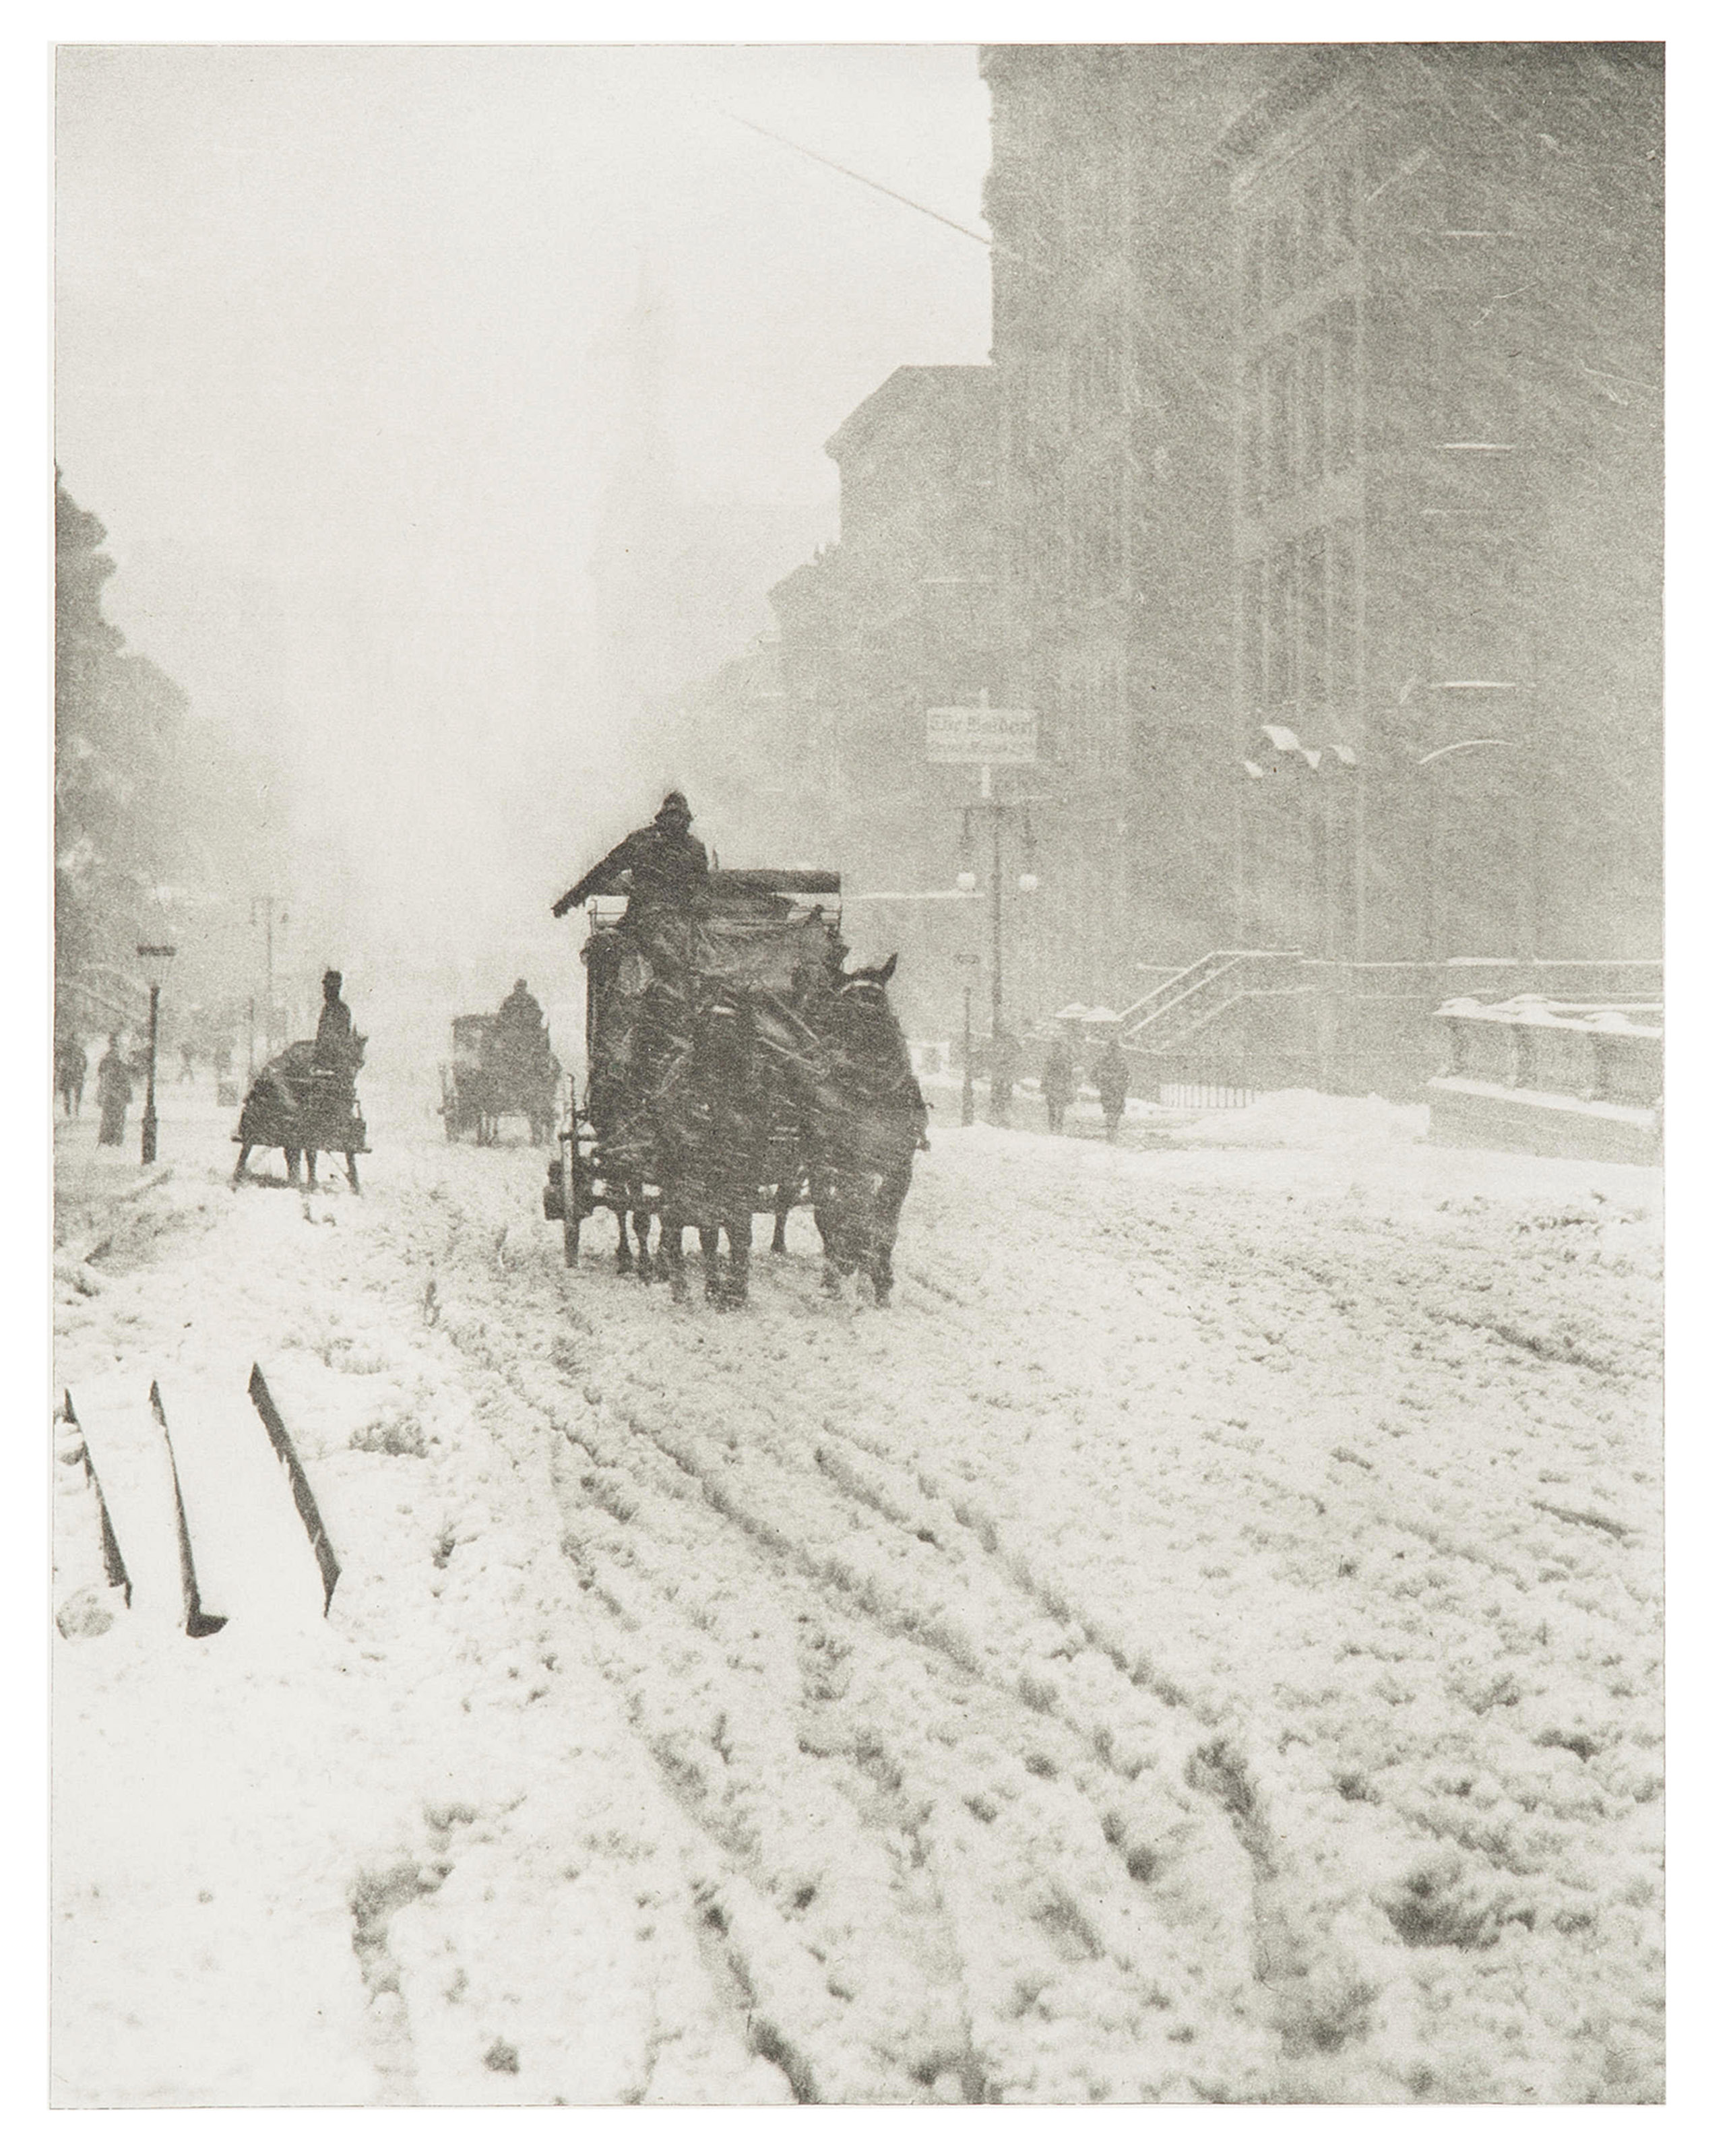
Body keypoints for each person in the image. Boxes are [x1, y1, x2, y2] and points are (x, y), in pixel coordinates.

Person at [551, 792, 710, 926]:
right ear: (662, 817)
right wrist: (567, 903)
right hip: (640, 918)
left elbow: (702, 885)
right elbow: (602, 872)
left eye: (679, 816)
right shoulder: (640, 841)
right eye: (671, 815)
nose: (675, 821)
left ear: (686, 819)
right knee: (603, 944)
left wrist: (699, 903)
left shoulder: (695, 848)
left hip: (679, 921)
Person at [314, 970, 360, 1075]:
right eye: (325, 988)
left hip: (334, 1065)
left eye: (328, 988)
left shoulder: (340, 1009)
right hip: (325, 1063)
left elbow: (337, 1040)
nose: (325, 992)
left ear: (336, 989)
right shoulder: (328, 1008)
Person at [96, 1034, 132, 1147]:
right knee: (116, 1116)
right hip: (116, 1093)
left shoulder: (107, 1060)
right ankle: (114, 1138)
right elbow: (125, 1078)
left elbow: (102, 1077)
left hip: (112, 1093)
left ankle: (109, 1137)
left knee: (110, 1116)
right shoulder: (118, 1061)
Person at [1094, 1036, 1129, 1144]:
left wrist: (1100, 1083)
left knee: (1112, 1111)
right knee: (1114, 1111)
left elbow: (1094, 1074)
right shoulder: (1118, 1061)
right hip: (1115, 1089)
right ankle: (1112, 1132)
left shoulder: (1104, 1060)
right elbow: (1127, 1075)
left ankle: (1111, 1132)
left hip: (1111, 1089)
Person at [1041, 1037, 1077, 1135]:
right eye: (1054, 1046)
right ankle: (1055, 1126)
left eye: (1057, 1046)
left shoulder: (1059, 1059)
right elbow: (1046, 1072)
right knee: (1054, 1107)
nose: (1055, 1048)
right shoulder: (1058, 1058)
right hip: (1056, 1085)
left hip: (1057, 1085)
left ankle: (1055, 1126)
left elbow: (1068, 1074)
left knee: (1057, 1107)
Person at [988, 1026, 1021, 1122]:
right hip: (1003, 1072)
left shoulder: (1003, 1044)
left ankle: (999, 1112)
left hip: (1003, 1072)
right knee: (1002, 1091)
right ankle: (1000, 1112)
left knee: (1001, 1091)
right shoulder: (1008, 1044)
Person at [56, 1034, 87, 1120]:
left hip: (71, 1072)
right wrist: (82, 1069)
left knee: (71, 1093)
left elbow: (84, 1060)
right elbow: (84, 1060)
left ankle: (72, 1111)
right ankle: (72, 1111)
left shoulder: (68, 1050)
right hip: (72, 1072)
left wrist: (82, 1069)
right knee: (71, 1093)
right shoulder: (74, 1050)